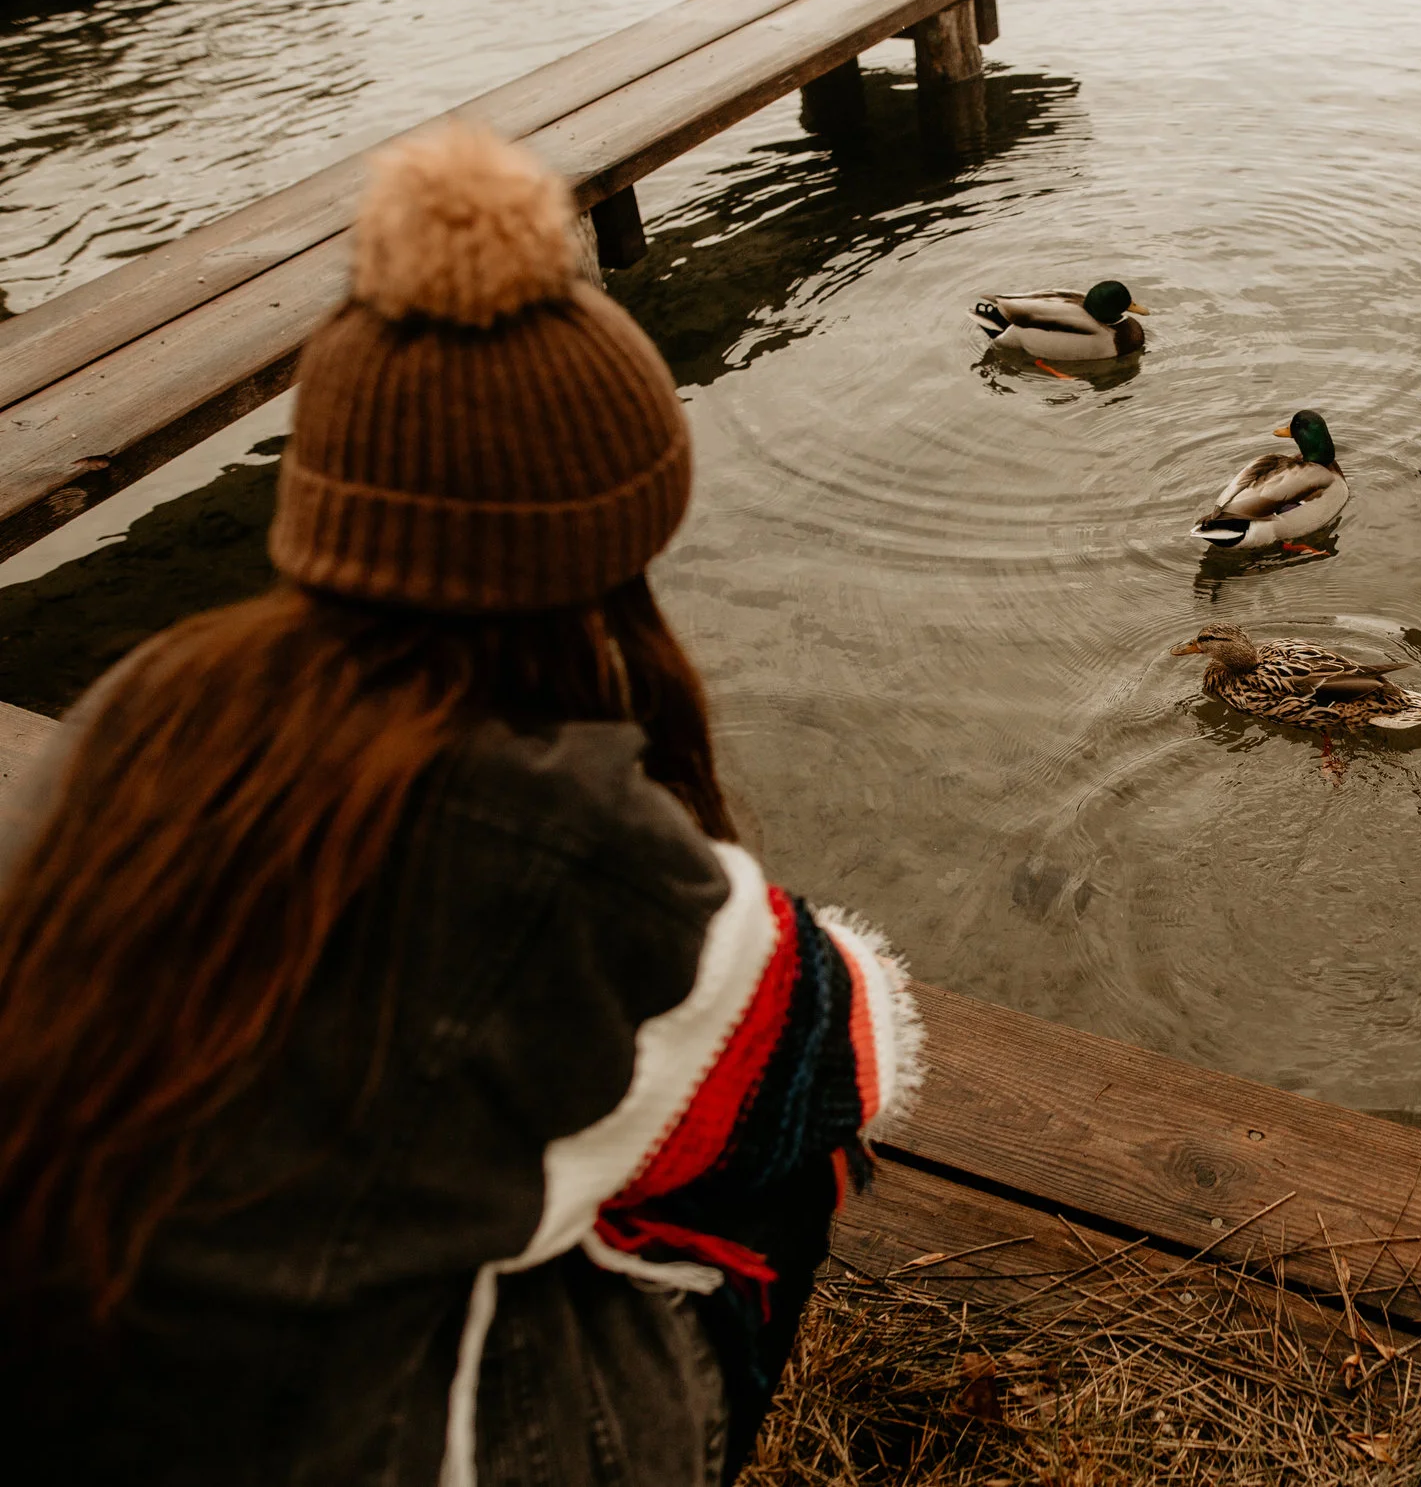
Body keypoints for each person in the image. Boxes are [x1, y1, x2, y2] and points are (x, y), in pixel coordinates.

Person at [0, 123, 920, 1486]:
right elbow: (860, 1056)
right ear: (616, 539)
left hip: (55, 1396)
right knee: (784, 1151)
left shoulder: (145, 700)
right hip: (345, 1451)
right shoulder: (580, 838)